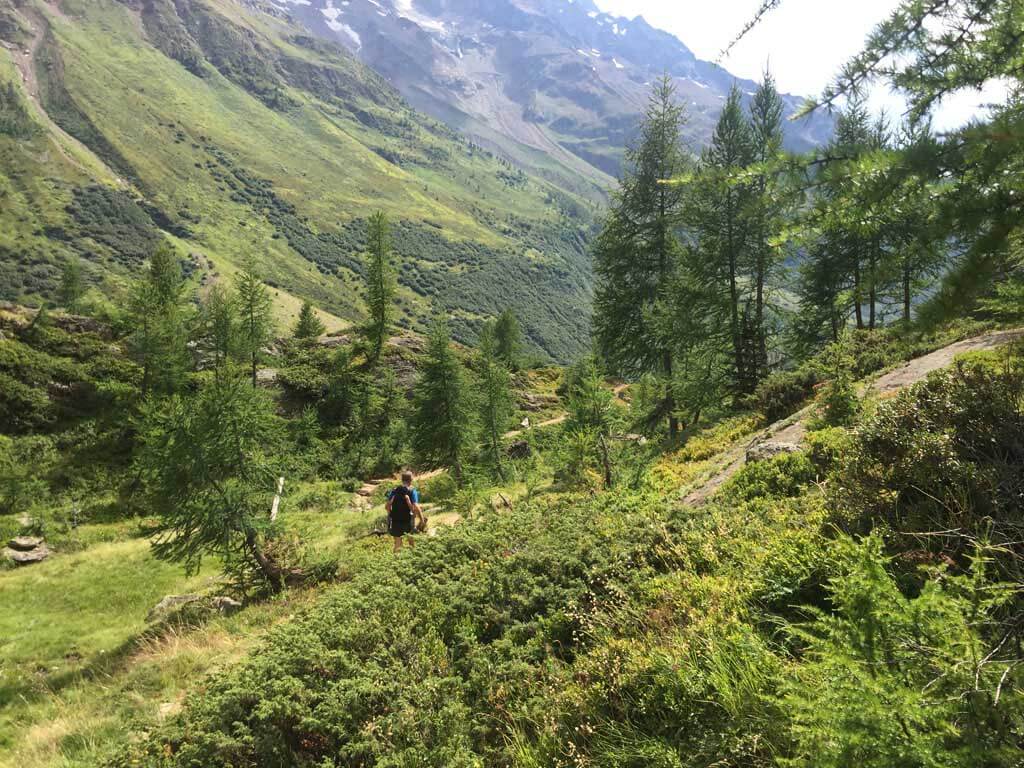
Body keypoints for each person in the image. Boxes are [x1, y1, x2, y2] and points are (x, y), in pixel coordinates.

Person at [385, 471, 423, 553]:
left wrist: (390, 513)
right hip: (408, 520)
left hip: (395, 520)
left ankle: (395, 563)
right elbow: (416, 506)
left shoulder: (395, 491)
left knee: (397, 544)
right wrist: (422, 519)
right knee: (411, 542)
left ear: (402, 480)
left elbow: (387, 506)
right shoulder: (412, 490)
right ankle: (413, 560)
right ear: (411, 479)